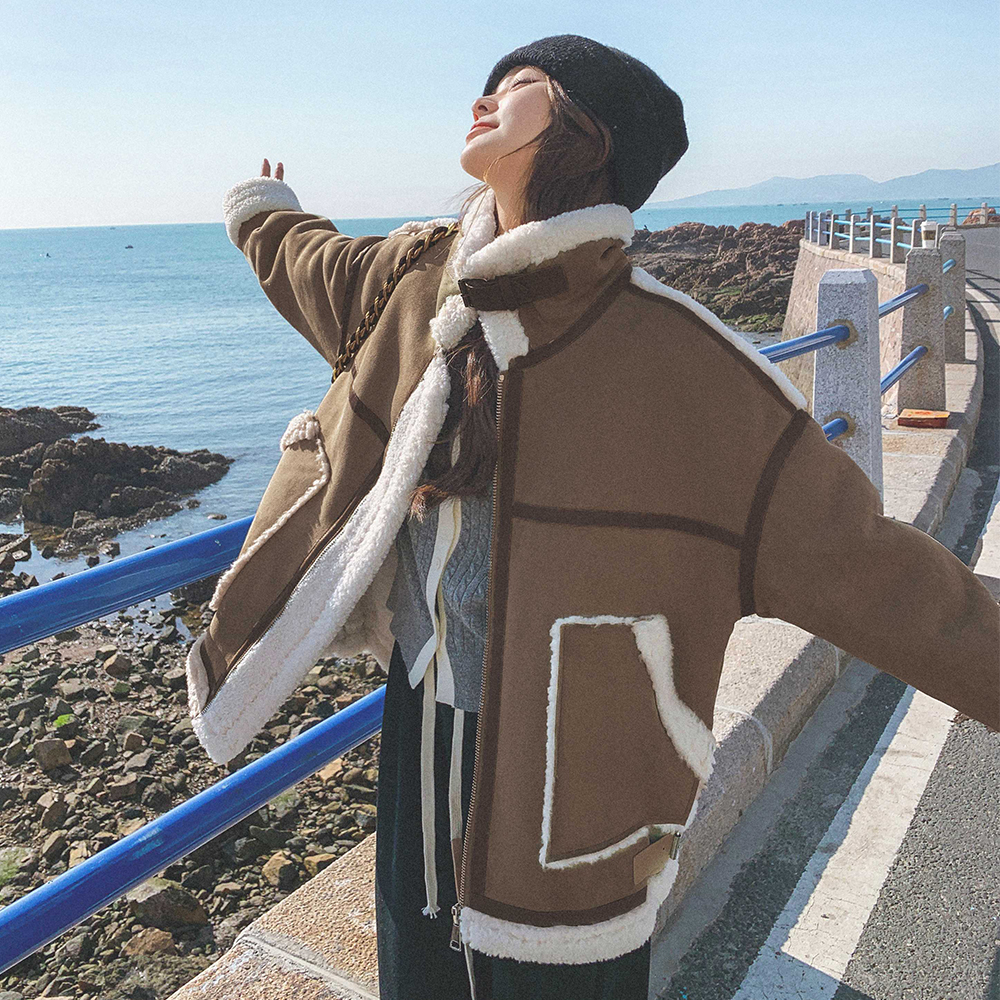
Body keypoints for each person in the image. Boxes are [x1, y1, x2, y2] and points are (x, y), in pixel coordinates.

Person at [189, 32, 1000, 1000]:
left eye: (518, 85)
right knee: (417, 968)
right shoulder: (414, 280)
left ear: (587, 132)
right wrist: (262, 209)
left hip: (579, 774)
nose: (484, 99)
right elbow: (310, 264)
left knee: (561, 977)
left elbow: (876, 572)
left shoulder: (688, 368)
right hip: (420, 714)